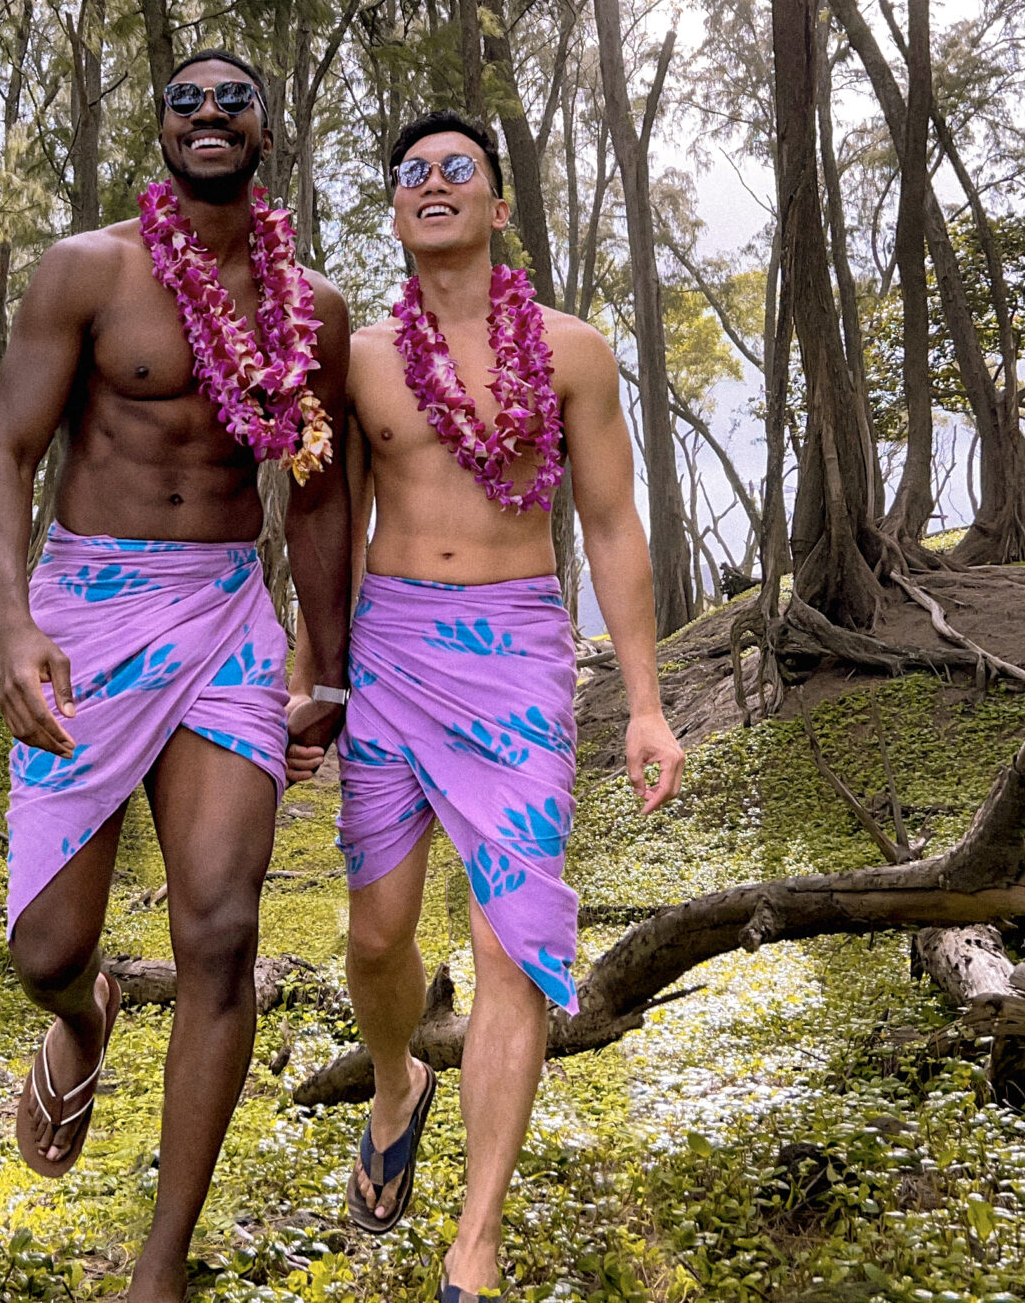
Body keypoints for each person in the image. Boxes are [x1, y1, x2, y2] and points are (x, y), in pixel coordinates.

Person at [0, 50, 353, 1303]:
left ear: (264, 126)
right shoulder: (88, 271)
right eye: (185, 98)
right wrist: (11, 622)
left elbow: (314, 497)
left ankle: (160, 1266)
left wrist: (324, 668)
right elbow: (7, 446)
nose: (207, 114)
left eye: (232, 97)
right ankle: (84, 1021)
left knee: (221, 933)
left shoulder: (314, 312)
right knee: (43, 949)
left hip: (227, 619)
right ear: (161, 125)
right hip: (85, 613)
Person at [307, 110, 684, 1303]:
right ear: (396, 208)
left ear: (498, 203)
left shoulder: (574, 350)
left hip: (519, 654)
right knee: (376, 939)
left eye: (455, 169)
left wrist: (644, 702)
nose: (431, 184)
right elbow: (335, 534)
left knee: (509, 938)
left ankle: (474, 1242)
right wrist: (325, 678)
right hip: (393, 653)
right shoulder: (359, 358)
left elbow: (612, 524)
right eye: (409, 174)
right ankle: (394, 1080)